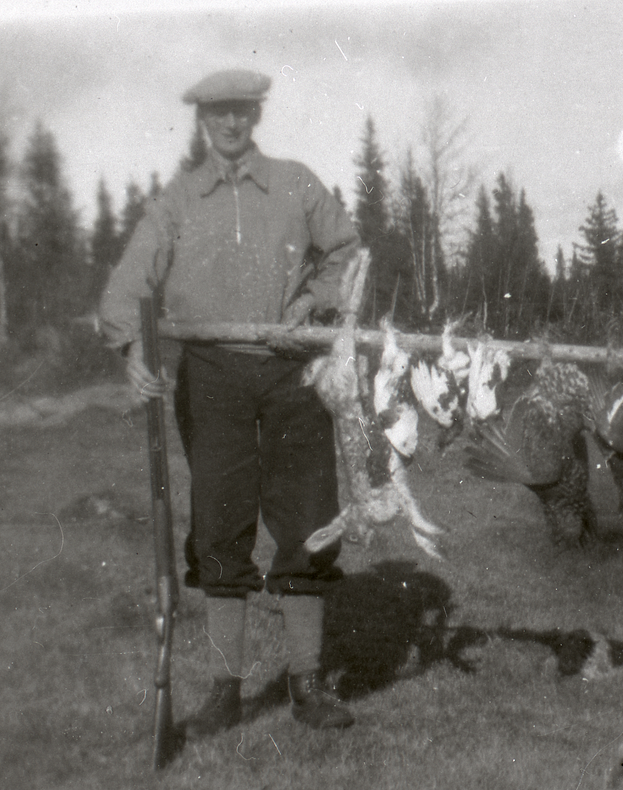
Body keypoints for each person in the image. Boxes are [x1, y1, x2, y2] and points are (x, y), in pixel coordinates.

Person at [99, 69, 360, 735]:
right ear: (201, 120)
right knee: (220, 526)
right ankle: (226, 691)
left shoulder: (297, 183)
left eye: (243, 110)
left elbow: (349, 253)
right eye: (220, 112)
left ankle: (306, 685)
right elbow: (132, 278)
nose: (232, 123)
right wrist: (131, 346)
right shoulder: (180, 200)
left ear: (257, 114)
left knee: (306, 524)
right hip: (212, 378)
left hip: (292, 373)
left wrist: (315, 300)